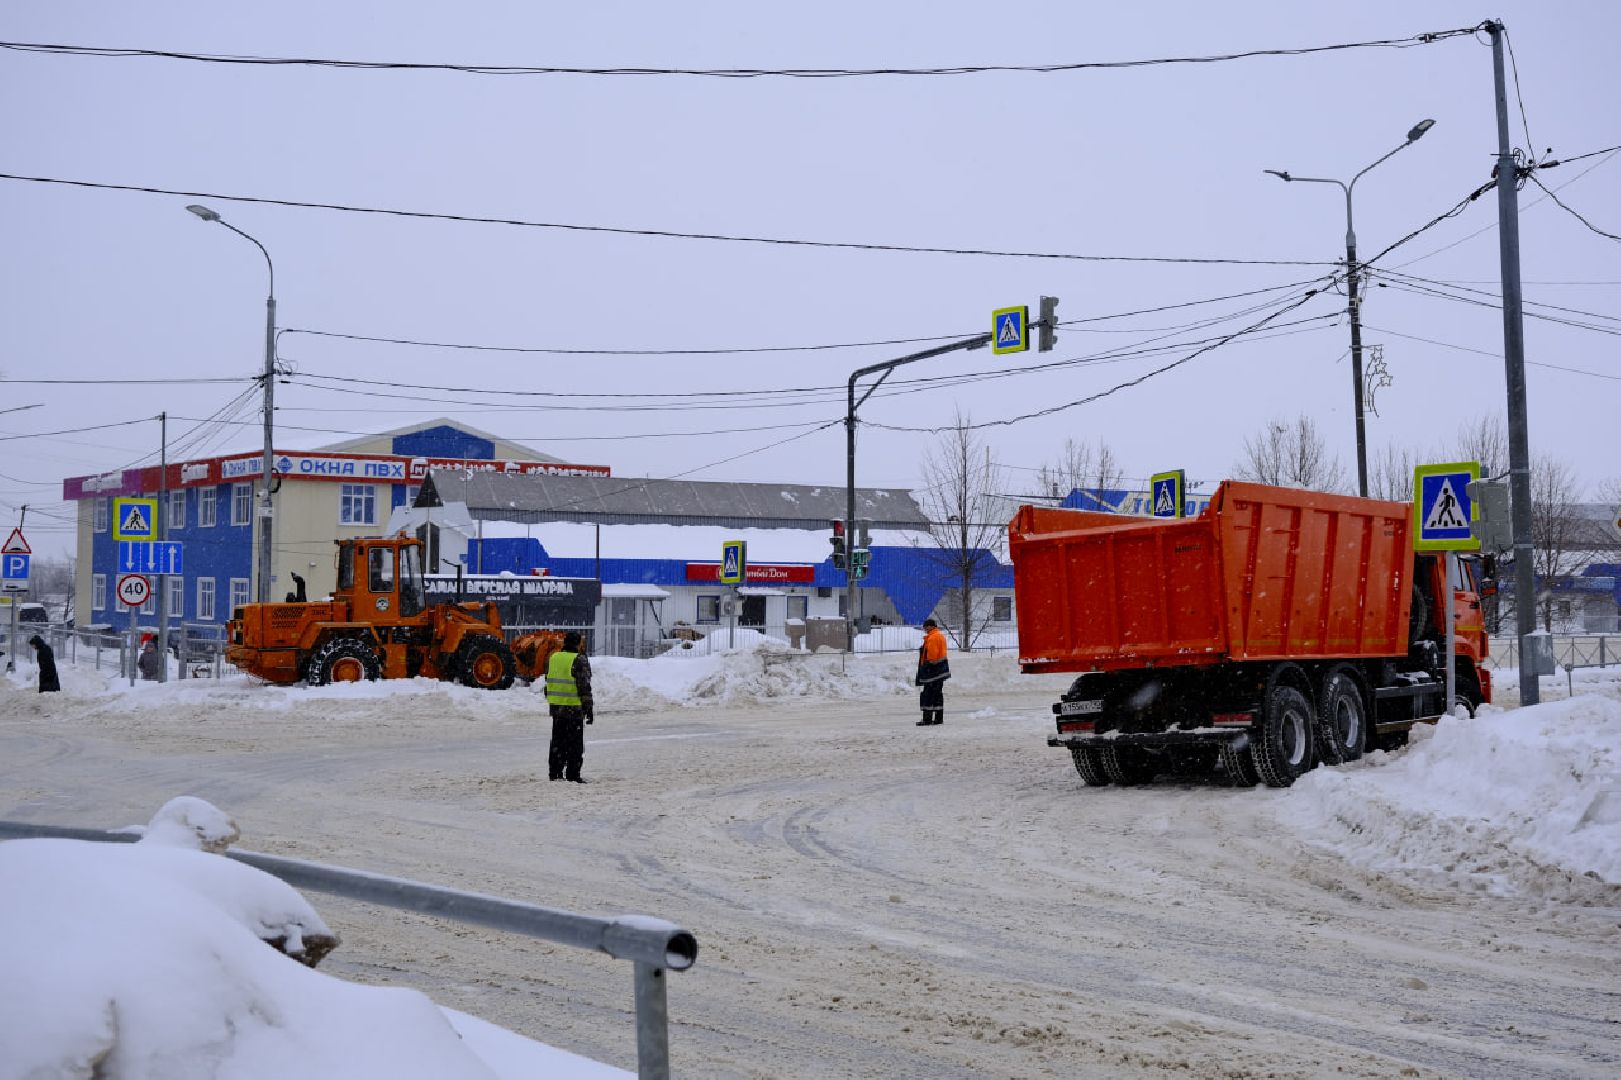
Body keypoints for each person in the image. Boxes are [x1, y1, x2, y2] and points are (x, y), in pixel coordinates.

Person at [545, 631, 595, 783]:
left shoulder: (553, 658)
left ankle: (555, 772)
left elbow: (548, 680)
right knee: (574, 744)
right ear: (578, 643)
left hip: (557, 708)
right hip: (574, 707)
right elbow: (584, 686)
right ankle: (573, 774)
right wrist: (589, 708)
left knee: (558, 741)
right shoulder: (579, 659)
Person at [915, 618, 950, 726]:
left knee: (928, 695)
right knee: (937, 694)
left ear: (930, 626)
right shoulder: (939, 636)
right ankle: (938, 719)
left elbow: (932, 656)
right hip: (940, 671)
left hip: (933, 672)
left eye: (925, 627)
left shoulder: (933, 638)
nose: (924, 629)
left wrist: (926, 667)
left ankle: (927, 719)